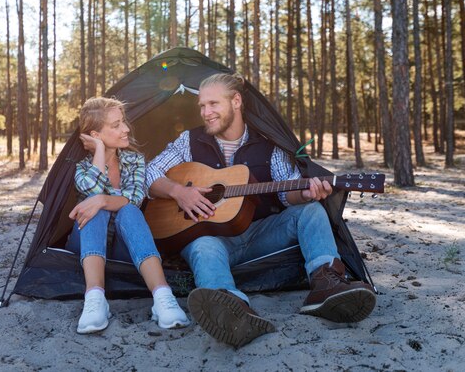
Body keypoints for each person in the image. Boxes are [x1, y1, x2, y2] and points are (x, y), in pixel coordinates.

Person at [145, 73, 376, 348]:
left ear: (236, 101)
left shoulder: (268, 145)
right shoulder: (189, 141)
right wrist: (179, 192)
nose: (206, 113)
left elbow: (285, 192)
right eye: (202, 106)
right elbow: (151, 172)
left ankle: (327, 284)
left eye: (213, 104)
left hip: (260, 235)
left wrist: (304, 192)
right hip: (212, 239)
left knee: (312, 210)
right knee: (204, 247)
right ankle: (231, 307)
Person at [67, 97, 190, 334]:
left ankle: (163, 297)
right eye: (115, 125)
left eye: (123, 122)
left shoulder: (134, 161)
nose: (125, 129)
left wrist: (103, 200)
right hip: (88, 245)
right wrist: (100, 151)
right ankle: (95, 299)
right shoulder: (81, 167)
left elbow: (136, 198)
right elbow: (92, 189)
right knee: (95, 212)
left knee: (129, 210)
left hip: (126, 246)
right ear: (96, 134)